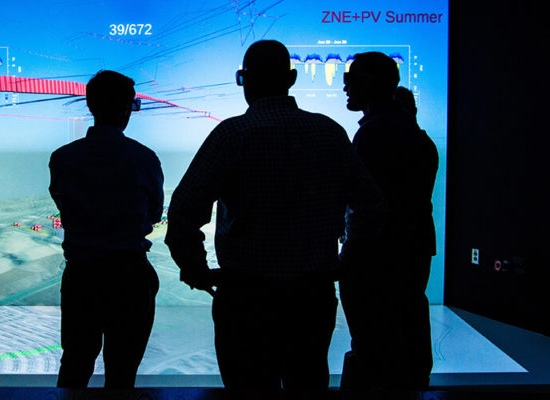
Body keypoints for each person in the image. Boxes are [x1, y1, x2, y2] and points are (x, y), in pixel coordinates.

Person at [164, 40, 386, 392]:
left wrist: (196, 269)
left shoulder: (231, 135)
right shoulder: (331, 133)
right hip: (312, 298)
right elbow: (372, 209)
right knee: (306, 386)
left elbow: (183, 213)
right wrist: (344, 262)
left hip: (245, 300)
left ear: (244, 81)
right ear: (292, 78)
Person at [49, 70, 163, 388]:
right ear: (128, 108)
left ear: (89, 104)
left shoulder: (62, 159)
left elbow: (65, 207)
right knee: (123, 371)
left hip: (82, 276)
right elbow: (153, 213)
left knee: (74, 365)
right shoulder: (144, 159)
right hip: (130, 275)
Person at [340, 53, 438, 390]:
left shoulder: (373, 136)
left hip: (376, 259)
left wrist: (348, 256)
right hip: (410, 252)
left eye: (351, 78)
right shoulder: (414, 135)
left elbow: (368, 210)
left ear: (369, 83)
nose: (344, 86)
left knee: (372, 346)